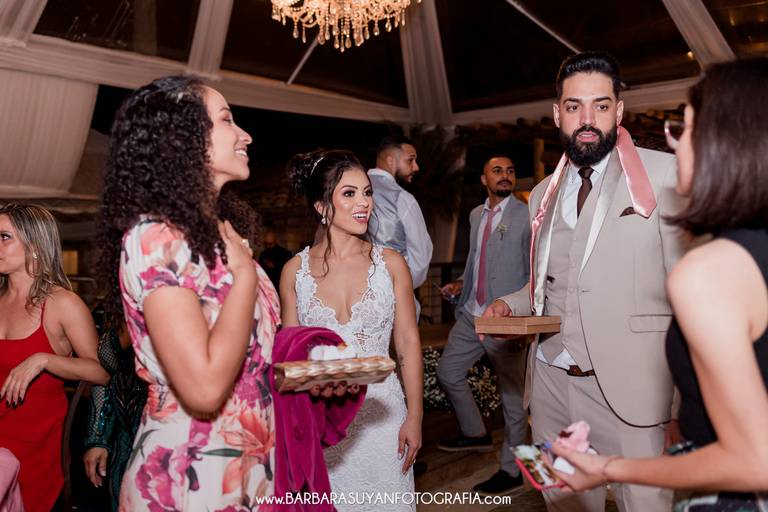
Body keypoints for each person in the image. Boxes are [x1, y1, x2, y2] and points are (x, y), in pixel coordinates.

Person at [98, 76, 353, 511]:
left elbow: (248, 359)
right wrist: (246, 279)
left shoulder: (222, 234)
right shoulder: (156, 237)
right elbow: (203, 389)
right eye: (227, 120)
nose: (245, 135)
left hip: (249, 464)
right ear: (182, 139)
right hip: (191, 473)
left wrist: (308, 378)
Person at [547, 57, 768, 510]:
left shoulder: (707, 271)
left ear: (726, 145)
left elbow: (754, 459)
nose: (673, 143)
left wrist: (610, 469)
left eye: (685, 130)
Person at [482, 52, 689, 511]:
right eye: (575, 106)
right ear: (558, 114)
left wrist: (682, 403)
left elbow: (690, 294)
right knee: (560, 502)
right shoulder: (541, 194)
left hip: (636, 392)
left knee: (648, 505)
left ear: (619, 110)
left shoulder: (666, 175)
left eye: (601, 105)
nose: (588, 119)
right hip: (551, 386)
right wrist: (511, 304)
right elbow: (550, 284)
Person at [280, 149, 424, 511]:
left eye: (367, 192)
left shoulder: (391, 264)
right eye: (349, 193)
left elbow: (407, 344)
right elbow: (291, 360)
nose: (364, 203)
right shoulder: (294, 272)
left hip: (385, 419)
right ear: (321, 206)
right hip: (323, 425)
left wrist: (415, 417)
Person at [0, 202, 109, 512]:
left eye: (4, 237)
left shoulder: (62, 304)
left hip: (31, 448)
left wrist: (43, 359)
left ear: (35, 246)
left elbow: (101, 372)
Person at [436, 154, 531, 495]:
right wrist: (461, 283)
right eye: (497, 171)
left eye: (510, 170)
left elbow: (534, 271)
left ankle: (512, 470)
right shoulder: (476, 214)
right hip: (470, 315)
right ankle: (475, 433)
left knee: (513, 399)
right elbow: (478, 259)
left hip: (505, 320)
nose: (505, 175)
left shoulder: (527, 215)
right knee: (447, 372)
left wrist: (522, 314)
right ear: (483, 179)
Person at [82, 317, 147, 511]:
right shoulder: (123, 306)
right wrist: (98, 436)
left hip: (170, 436)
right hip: (125, 441)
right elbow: (108, 375)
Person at [367, 135, 433, 316]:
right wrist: (404, 285)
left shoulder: (352, 189)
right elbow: (421, 253)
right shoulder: (401, 198)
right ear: (391, 160)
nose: (416, 167)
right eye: (410, 160)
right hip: (394, 301)